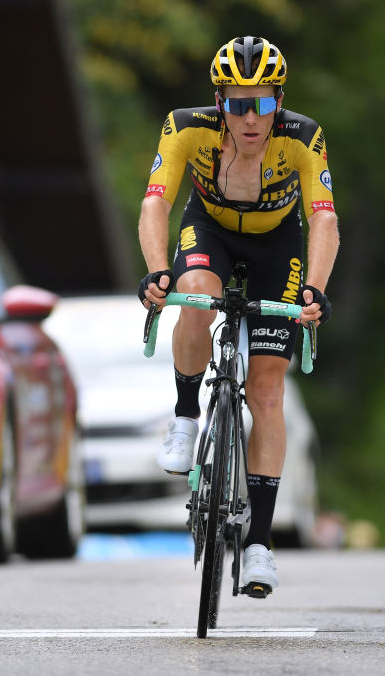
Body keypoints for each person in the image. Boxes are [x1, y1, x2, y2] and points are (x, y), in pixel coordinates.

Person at [137, 36, 338, 596]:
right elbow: (156, 200)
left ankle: (259, 545)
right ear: (219, 101)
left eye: (264, 103)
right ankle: (185, 416)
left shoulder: (304, 137)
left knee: (268, 390)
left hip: (280, 247)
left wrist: (316, 288)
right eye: (237, 103)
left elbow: (324, 218)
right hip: (211, 230)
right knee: (195, 292)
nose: (251, 118)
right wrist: (157, 271)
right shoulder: (185, 126)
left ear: (280, 100)